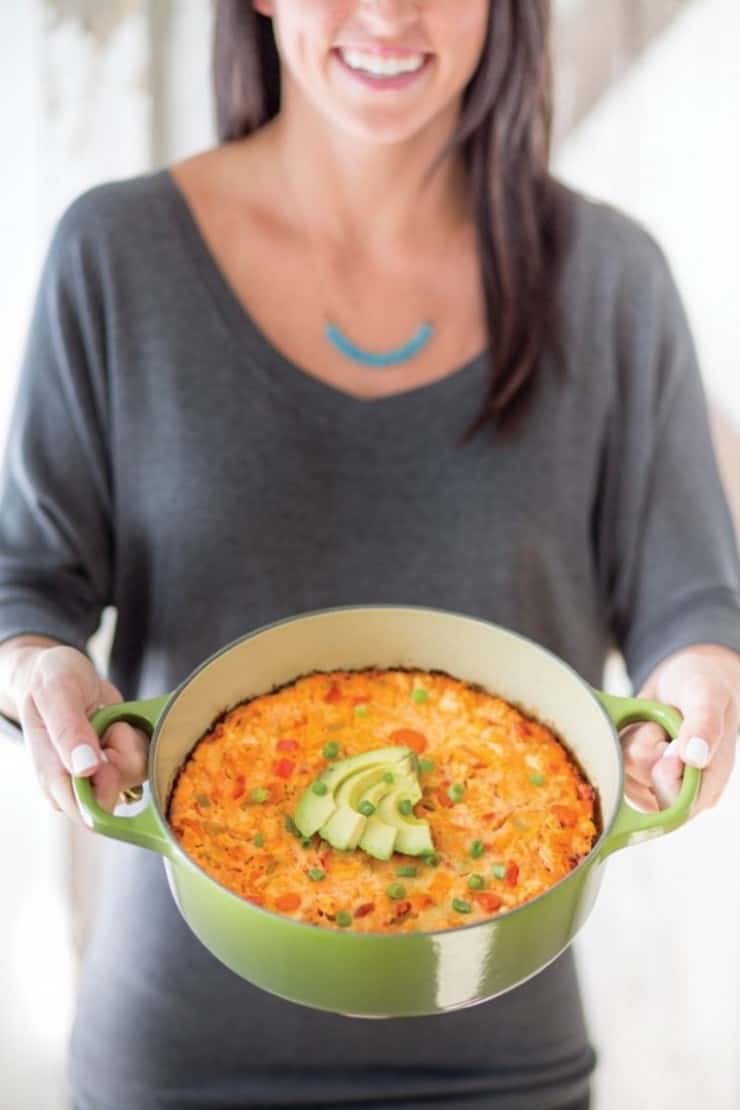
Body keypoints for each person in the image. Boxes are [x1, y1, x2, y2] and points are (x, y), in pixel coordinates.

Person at [1, 1, 739, 1107]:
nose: (389, 12)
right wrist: (37, 671)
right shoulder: (116, 253)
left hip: (507, 1056)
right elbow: (26, 581)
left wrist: (699, 692)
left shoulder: (611, 276)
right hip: (177, 1054)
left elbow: (691, 600)